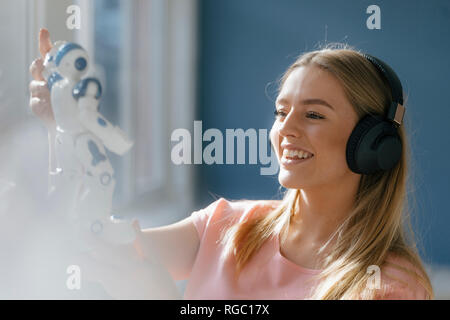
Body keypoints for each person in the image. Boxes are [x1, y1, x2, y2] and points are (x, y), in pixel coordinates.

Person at [30, 29, 433, 300]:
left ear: (372, 144)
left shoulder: (390, 286)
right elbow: (85, 239)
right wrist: (64, 131)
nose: (285, 130)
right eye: (281, 111)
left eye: (313, 115)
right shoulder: (229, 226)